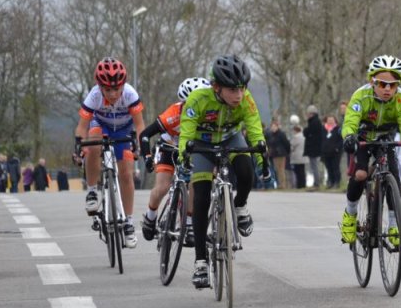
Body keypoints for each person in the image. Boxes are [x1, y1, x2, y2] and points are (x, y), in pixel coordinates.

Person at [179, 54, 266, 289]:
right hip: (202, 145)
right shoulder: (198, 99)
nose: (239, 95)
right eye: (233, 90)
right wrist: (184, 157)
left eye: (242, 88)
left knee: (246, 171)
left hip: (230, 138)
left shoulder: (246, 100)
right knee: (201, 196)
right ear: (216, 87)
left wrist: (262, 160)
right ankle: (200, 262)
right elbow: (186, 133)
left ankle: (240, 206)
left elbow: (255, 131)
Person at [339, 54, 401, 245]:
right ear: (373, 82)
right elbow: (350, 122)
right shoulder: (361, 96)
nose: (387, 89)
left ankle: (394, 226)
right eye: (382, 84)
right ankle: (350, 215)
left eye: (393, 85)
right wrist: (349, 136)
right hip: (363, 138)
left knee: (393, 177)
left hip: (385, 139)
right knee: (361, 174)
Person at [73, 57, 146, 248]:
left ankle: (128, 222)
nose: (113, 94)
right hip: (101, 125)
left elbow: (140, 126)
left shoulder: (130, 94)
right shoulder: (94, 96)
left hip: (124, 130)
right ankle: (91, 192)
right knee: (92, 143)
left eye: (116, 89)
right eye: (107, 90)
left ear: (123, 86)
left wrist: (142, 146)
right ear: (100, 87)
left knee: (126, 174)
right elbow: (82, 127)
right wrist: (79, 146)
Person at [139, 76, 209, 246]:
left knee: (195, 182)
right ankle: (150, 216)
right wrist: (147, 157)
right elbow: (145, 135)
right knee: (162, 187)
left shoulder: (210, 115)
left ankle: (190, 224)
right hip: (169, 148)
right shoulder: (173, 114)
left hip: (192, 150)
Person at [264, 116, 291, 189]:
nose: (273, 128)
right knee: (277, 170)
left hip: (281, 154)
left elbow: (286, 143)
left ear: (277, 127)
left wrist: (286, 152)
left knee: (281, 169)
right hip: (275, 154)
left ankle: (283, 185)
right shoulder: (272, 135)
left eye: (274, 127)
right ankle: (280, 184)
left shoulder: (281, 134)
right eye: (272, 127)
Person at [303, 105, 323, 189]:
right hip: (314, 147)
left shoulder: (314, 122)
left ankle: (317, 183)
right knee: (314, 166)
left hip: (313, 148)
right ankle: (316, 182)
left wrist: (306, 131)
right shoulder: (315, 121)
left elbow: (308, 133)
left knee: (314, 166)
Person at [322, 114, 343, 188]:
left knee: (335, 167)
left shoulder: (338, 129)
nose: (330, 121)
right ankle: (331, 182)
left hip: (336, 152)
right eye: (329, 120)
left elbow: (341, 140)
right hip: (326, 152)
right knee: (329, 168)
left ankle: (337, 182)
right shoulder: (323, 129)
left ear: (335, 120)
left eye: (332, 120)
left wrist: (337, 148)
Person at [289, 115, 306, 188]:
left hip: (297, 156)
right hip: (303, 156)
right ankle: (303, 184)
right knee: (302, 171)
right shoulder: (303, 136)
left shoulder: (296, 137)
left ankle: (299, 185)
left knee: (298, 172)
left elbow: (292, 146)